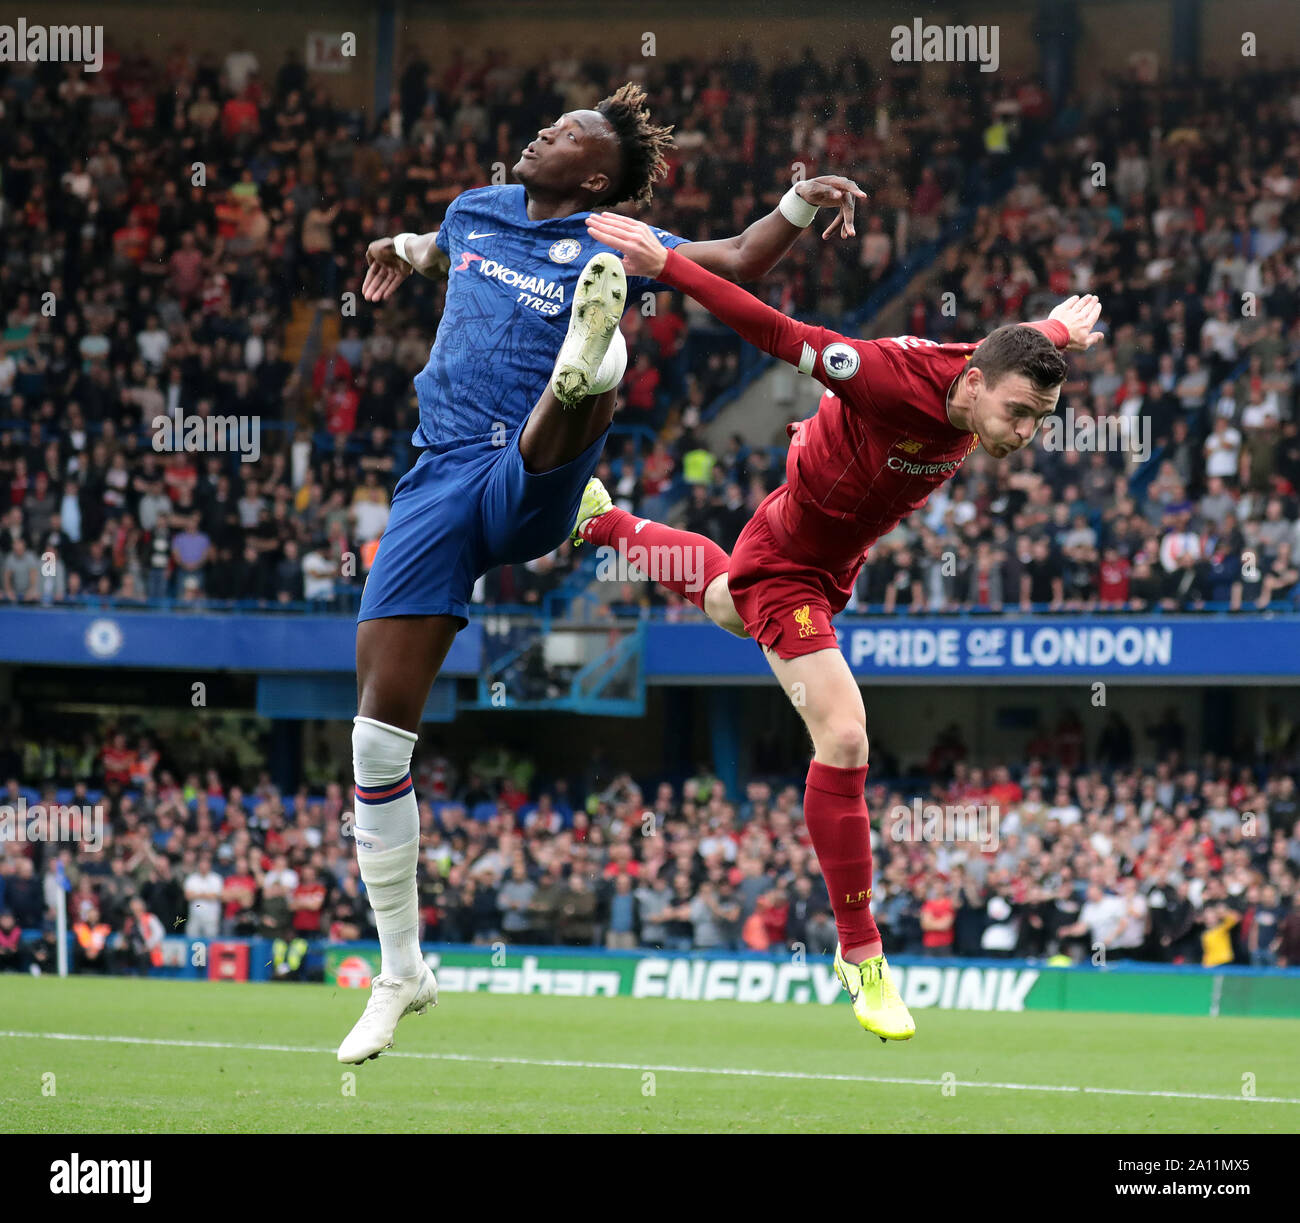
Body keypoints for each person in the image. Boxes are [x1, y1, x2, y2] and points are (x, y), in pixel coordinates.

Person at [337, 81, 866, 1064]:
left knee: (566, 412)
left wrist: (799, 200)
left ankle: (593, 362)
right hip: (433, 479)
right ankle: (402, 968)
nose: (536, 132)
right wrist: (405, 252)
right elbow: (443, 247)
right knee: (374, 739)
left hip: (524, 469)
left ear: (590, 174)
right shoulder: (476, 209)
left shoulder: (614, 230)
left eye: (560, 133)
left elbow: (737, 259)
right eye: (543, 124)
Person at [575, 208, 1104, 1041]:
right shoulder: (887, 375)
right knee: (846, 734)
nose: (1026, 432)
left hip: (833, 555)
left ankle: (603, 522)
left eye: (1038, 419)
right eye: (1018, 414)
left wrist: (1058, 330)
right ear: (969, 385)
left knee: (722, 602)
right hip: (792, 552)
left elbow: (1019, 344)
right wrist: (664, 266)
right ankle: (862, 955)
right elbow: (775, 328)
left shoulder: (994, 372)